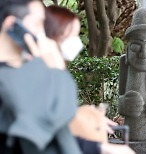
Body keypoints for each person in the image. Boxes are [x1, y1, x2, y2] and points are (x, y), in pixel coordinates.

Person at [45, 5, 135, 154]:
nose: (76, 42)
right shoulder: (36, 75)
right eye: (71, 35)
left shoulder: (57, 74)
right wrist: (100, 148)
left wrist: (87, 115)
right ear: (52, 35)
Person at [0, 0, 82, 154]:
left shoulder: (20, 73)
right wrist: (55, 70)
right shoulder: (9, 80)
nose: (43, 34)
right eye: (38, 24)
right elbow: (52, 121)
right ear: (12, 25)